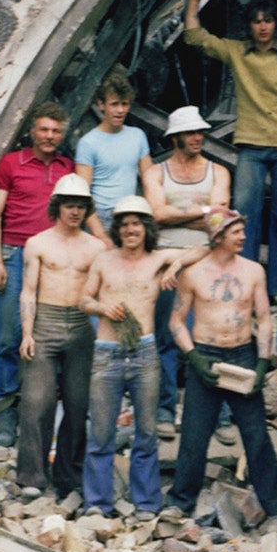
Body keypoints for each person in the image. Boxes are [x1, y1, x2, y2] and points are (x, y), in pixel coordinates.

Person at [182, 0, 277, 286]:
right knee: (244, 212)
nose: (262, 27)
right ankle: (245, 277)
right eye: (256, 22)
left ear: (276, 24)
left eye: (267, 21)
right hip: (251, 146)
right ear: (250, 27)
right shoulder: (238, 53)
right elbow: (195, 37)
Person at [78, 197, 201, 516]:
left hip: (144, 353)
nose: (130, 230)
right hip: (107, 353)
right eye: (125, 224)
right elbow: (83, 299)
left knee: (146, 432)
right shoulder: (104, 260)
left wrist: (176, 264)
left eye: (136, 223)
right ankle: (97, 503)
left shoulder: (158, 258)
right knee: (101, 432)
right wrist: (103, 308)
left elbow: (206, 249)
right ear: (117, 229)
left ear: (146, 228)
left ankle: (145, 503)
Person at [167, 209, 277, 525]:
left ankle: (276, 506)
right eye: (237, 232)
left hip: (243, 355)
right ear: (219, 236)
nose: (244, 237)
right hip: (205, 356)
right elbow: (176, 322)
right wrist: (193, 357)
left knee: (256, 434)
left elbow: (263, 319)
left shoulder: (253, 271)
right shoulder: (194, 273)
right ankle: (181, 502)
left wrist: (262, 362)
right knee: (195, 435)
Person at [0, 100, 75, 444]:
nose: (50, 136)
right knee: (9, 336)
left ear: (62, 135)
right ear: (32, 131)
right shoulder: (11, 163)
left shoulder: (68, 169)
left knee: (47, 337)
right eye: (44, 129)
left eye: (56, 131)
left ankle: (36, 411)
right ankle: (5, 410)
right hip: (15, 253)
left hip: (52, 257)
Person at [16, 177, 102, 500]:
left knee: (79, 404)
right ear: (57, 207)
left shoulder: (96, 247)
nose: (75, 212)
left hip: (81, 325)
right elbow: (28, 290)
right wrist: (27, 331)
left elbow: (104, 291)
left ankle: (69, 475)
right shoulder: (38, 243)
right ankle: (31, 477)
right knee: (37, 402)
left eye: (80, 206)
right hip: (45, 323)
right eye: (69, 205)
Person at [141, 104, 230, 415]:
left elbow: (221, 220)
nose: (198, 137)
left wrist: (178, 217)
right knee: (165, 337)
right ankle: (165, 408)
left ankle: (212, 412)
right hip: (166, 263)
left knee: (208, 335)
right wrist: (205, 212)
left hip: (206, 260)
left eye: (200, 132)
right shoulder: (156, 172)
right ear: (175, 137)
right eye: (190, 132)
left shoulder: (218, 171)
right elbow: (156, 215)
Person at [73, 70, 149, 239]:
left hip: (132, 213)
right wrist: (100, 233)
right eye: (114, 104)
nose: (120, 110)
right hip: (102, 215)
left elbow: (150, 179)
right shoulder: (88, 142)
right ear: (101, 104)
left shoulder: (138, 136)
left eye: (125, 104)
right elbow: (82, 194)